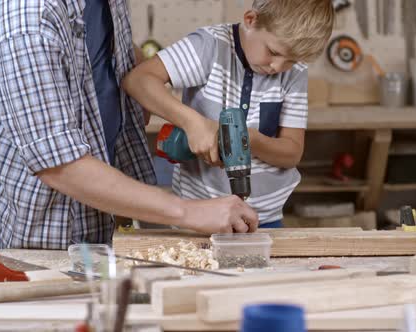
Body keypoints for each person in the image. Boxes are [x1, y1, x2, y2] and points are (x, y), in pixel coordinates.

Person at [0, 0, 258, 249]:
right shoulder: (25, 20)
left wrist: (172, 105)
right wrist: (188, 212)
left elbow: (104, 51)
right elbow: (61, 167)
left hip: (100, 223)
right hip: (36, 243)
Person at [122, 0, 335, 227]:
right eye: (273, 52)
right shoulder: (209, 46)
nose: (278, 67)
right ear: (251, 20)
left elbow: (292, 153)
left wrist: (249, 139)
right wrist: (193, 123)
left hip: (264, 218)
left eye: (291, 60)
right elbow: (138, 80)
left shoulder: (294, 73)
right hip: (200, 214)